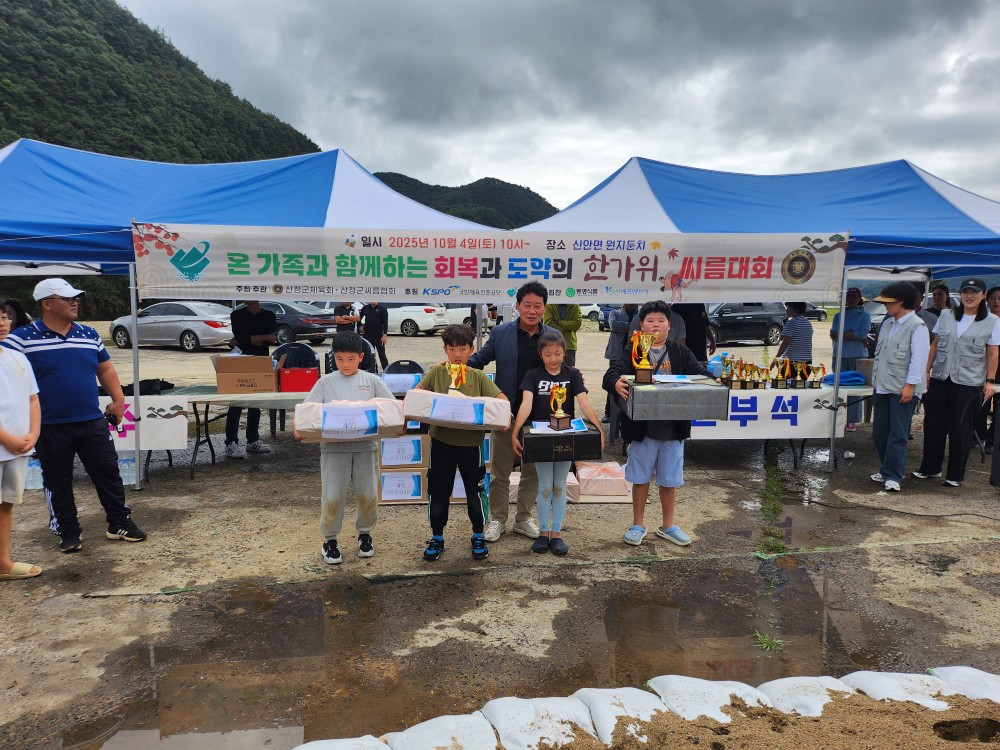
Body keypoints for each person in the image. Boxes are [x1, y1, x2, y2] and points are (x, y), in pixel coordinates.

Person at [2, 278, 147, 552]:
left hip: (91, 420)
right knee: (57, 480)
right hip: (49, 425)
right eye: (67, 298)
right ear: (47, 304)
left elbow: (105, 369)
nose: (74, 302)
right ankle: (67, 530)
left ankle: (119, 522)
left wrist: (118, 400)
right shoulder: (21, 339)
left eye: (75, 298)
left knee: (108, 472)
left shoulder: (88, 334)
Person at [603, 300, 716, 548]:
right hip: (642, 430)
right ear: (641, 325)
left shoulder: (681, 352)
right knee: (640, 478)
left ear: (670, 325)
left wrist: (714, 380)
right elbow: (611, 374)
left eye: (661, 321)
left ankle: (668, 525)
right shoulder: (632, 350)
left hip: (673, 429)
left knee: (669, 479)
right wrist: (616, 383)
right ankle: (637, 524)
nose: (656, 325)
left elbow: (700, 373)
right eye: (650, 321)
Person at [293, 331, 395, 565]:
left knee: (368, 495)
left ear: (361, 357)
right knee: (332, 497)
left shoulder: (372, 381)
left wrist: (400, 423)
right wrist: (297, 422)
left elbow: (391, 407)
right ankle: (329, 540)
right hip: (333, 449)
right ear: (333, 357)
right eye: (339, 359)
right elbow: (307, 408)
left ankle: (365, 534)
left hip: (365, 448)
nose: (345, 364)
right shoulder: (325, 383)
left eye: (350, 359)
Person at [467, 281, 555, 543]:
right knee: (500, 472)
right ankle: (497, 519)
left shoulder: (553, 336)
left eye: (537, 306)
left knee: (532, 472)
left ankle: (523, 518)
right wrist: (455, 367)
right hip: (506, 415)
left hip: (539, 418)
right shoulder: (501, 333)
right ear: (517, 306)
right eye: (527, 305)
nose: (532, 311)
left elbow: (562, 372)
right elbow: (479, 359)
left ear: (544, 308)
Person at [416, 324, 507, 562]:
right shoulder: (437, 373)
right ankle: (437, 536)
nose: (457, 354)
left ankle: (478, 534)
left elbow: (501, 399)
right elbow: (417, 395)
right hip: (441, 442)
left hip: (471, 444)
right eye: (452, 349)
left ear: (471, 349)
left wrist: (502, 416)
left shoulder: (478, 376)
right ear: (445, 350)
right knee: (438, 490)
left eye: (462, 349)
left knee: (475, 491)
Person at [511, 331, 604, 556]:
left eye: (558, 353)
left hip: (565, 437)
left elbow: (584, 403)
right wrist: (516, 433)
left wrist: (599, 429)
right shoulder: (533, 375)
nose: (553, 358)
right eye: (548, 354)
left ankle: (557, 532)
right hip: (541, 439)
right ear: (540, 354)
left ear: (564, 353)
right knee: (544, 486)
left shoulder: (572, 374)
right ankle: (543, 532)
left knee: (560, 485)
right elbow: (526, 405)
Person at [914, 278, 999, 487]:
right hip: (941, 377)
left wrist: (990, 380)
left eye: (974, 292)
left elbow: (992, 353)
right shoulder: (946, 315)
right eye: (965, 292)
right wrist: (926, 370)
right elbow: (935, 344)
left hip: (969, 381)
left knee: (961, 428)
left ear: (983, 295)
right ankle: (930, 468)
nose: (969, 296)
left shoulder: (992, 321)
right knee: (933, 424)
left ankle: (955, 475)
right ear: (960, 295)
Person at [869, 282, 930, 493]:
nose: (885, 306)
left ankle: (893, 475)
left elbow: (919, 359)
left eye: (889, 302)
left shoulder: (917, 326)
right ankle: (887, 469)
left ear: (901, 302)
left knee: (898, 434)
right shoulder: (887, 323)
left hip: (903, 388)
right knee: (879, 433)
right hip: (882, 385)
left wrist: (910, 386)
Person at [0, 307, 41, 580]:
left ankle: (3, 563)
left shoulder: (17, 357)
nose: (2, 323)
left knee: (6, 503)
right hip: (7, 443)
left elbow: (32, 398)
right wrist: (7, 438)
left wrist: (33, 434)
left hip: (18, 447)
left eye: (4, 317)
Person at [225, 300, 277, 459]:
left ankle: (252, 440)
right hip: (240, 361)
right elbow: (242, 338)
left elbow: (273, 339)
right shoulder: (237, 315)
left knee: (256, 402)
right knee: (236, 403)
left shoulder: (269, 315)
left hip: (261, 362)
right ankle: (231, 442)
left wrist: (249, 338)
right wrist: (262, 337)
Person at [829, 288, 872, 431]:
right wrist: (853, 335)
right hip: (839, 354)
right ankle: (838, 418)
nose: (851, 299)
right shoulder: (838, 316)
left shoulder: (865, 315)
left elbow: (863, 333)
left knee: (856, 387)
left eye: (854, 297)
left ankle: (852, 420)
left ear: (859, 299)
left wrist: (843, 335)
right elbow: (833, 334)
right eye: (848, 297)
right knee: (838, 387)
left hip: (858, 355)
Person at [603, 303, 640, 422]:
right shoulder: (615, 312)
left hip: (634, 355)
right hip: (616, 354)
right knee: (613, 381)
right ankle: (609, 413)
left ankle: (629, 413)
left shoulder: (640, 315)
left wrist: (625, 326)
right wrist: (632, 326)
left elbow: (638, 328)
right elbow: (614, 325)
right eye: (630, 302)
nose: (632, 304)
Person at [976, 286, 1000, 452]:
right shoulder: (982, 320)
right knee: (981, 405)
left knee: (998, 406)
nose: (996, 301)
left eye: (999, 298)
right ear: (987, 299)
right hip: (983, 369)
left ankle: (992, 439)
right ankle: (978, 436)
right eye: (992, 298)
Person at [359, 301, 389, 370]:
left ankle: (386, 370)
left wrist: (384, 335)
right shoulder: (365, 308)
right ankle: (373, 370)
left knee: (382, 355)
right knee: (369, 355)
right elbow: (358, 318)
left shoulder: (382, 308)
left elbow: (385, 322)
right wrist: (360, 326)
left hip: (379, 336)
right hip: (367, 335)